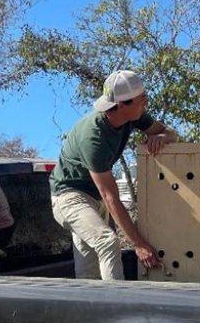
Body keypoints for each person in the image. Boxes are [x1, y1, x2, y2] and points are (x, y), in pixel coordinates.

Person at [50, 70, 178, 280]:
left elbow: (170, 133)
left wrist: (162, 137)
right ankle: (119, 308)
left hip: (95, 199)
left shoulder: (132, 117)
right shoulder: (93, 137)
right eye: (142, 99)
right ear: (121, 104)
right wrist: (138, 244)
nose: (146, 103)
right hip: (69, 197)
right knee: (107, 242)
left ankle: (89, 311)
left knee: (87, 274)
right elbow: (111, 197)